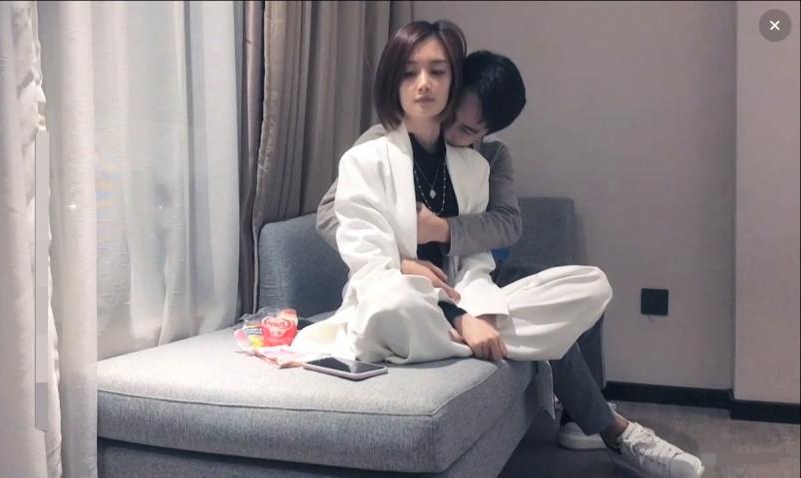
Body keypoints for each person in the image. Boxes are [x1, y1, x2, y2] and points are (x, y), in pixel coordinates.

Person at [295, 20, 703, 478]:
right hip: (401, 287)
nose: (453, 132)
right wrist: (401, 262)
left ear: (486, 128)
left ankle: (563, 399)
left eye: (470, 129)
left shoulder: (484, 161)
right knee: (401, 301)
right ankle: (609, 425)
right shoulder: (375, 148)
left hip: (475, 277)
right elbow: (335, 216)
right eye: (452, 119)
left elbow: (506, 225)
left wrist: (445, 231)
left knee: (587, 287)